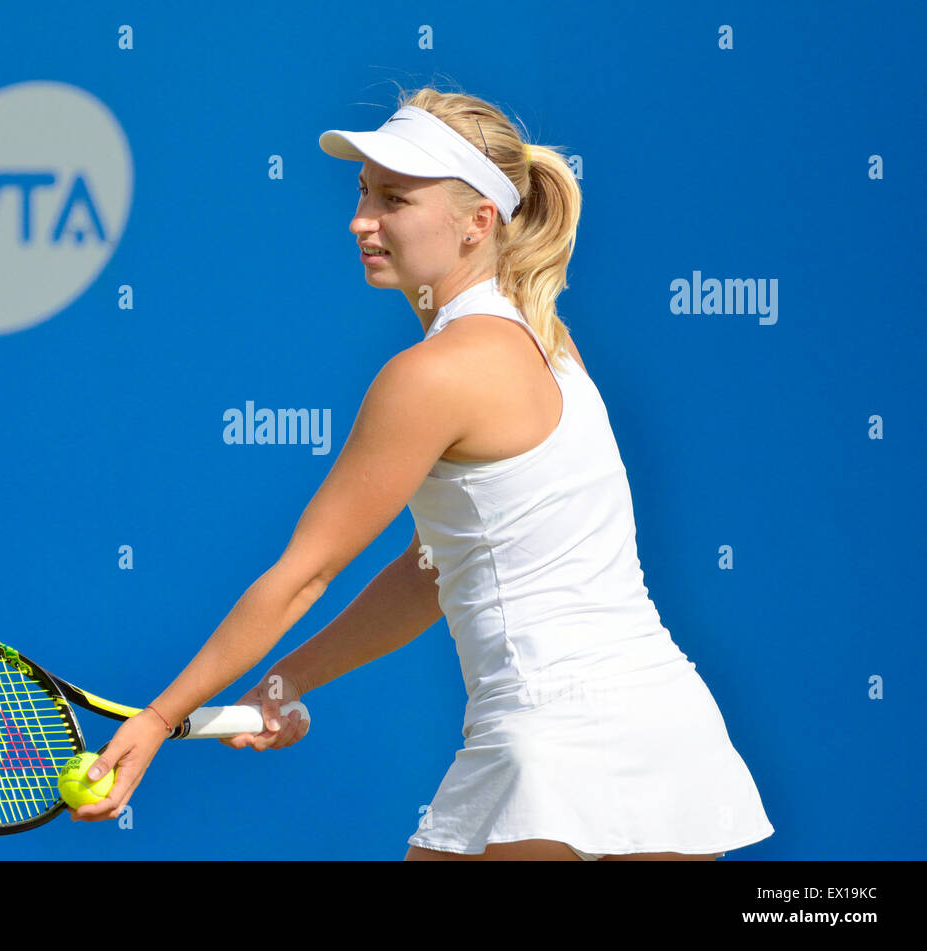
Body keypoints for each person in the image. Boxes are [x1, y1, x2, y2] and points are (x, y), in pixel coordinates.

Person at [69, 85, 776, 861]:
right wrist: (287, 679)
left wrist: (157, 718)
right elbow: (436, 565)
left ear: (480, 222)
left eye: (395, 198)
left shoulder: (431, 374)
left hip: (548, 746)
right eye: (364, 191)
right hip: (667, 735)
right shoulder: (552, 348)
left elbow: (305, 574)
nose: (361, 218)